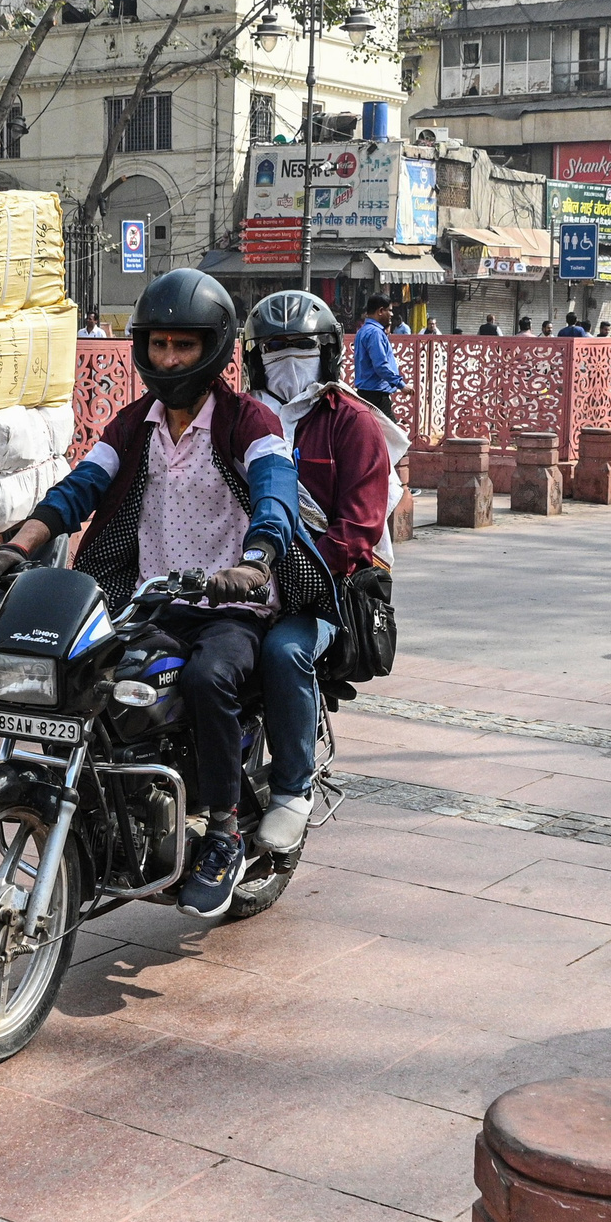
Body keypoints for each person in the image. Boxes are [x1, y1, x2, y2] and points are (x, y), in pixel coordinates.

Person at [0, 269, 315, 919]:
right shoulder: (135, 424)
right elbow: (79, 489)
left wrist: (257, 560)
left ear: (213, 347)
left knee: (209, 680)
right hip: (154, 603)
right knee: (94, 680)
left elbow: (274, 491)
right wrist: (19, 545)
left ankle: (222, 829)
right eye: (159, 345)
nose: (169, 359)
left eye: (183, 346)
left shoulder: (250, 420)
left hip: (229, 607)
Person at [241, 291, 398, 853]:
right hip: (238, 578)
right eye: (276, 349)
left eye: (302, 348)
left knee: (283, 651)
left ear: (327, 354)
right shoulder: (237, 417)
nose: (289, 360)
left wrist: (289, 582)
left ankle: (292, 790)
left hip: (323, 591)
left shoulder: (351, 423)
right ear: (255, 356)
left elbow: (358, 531)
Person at [351, 295, 402, 423]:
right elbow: (380, 365)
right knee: (394, 438)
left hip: (366, 392)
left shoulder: (363, 331)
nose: (391, 314)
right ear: (380, 311)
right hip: (376, 395)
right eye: (389, 310)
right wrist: (401, 384)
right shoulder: (375, 333)